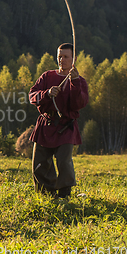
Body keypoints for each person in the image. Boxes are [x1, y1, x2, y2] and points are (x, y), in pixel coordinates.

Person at [29, 43, 88, 198]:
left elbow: (80, 104)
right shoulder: (47, 76)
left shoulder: (79, 81)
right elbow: (32, 96)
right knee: (39, 164)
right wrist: (46, 93)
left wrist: (74, 83)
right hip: (45, 125)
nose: (61, 60)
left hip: (65, 127)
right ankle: (46, 194)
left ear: (73, 59)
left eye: (65, 56)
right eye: (59, 56)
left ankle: (64, 195)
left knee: (64, 162)